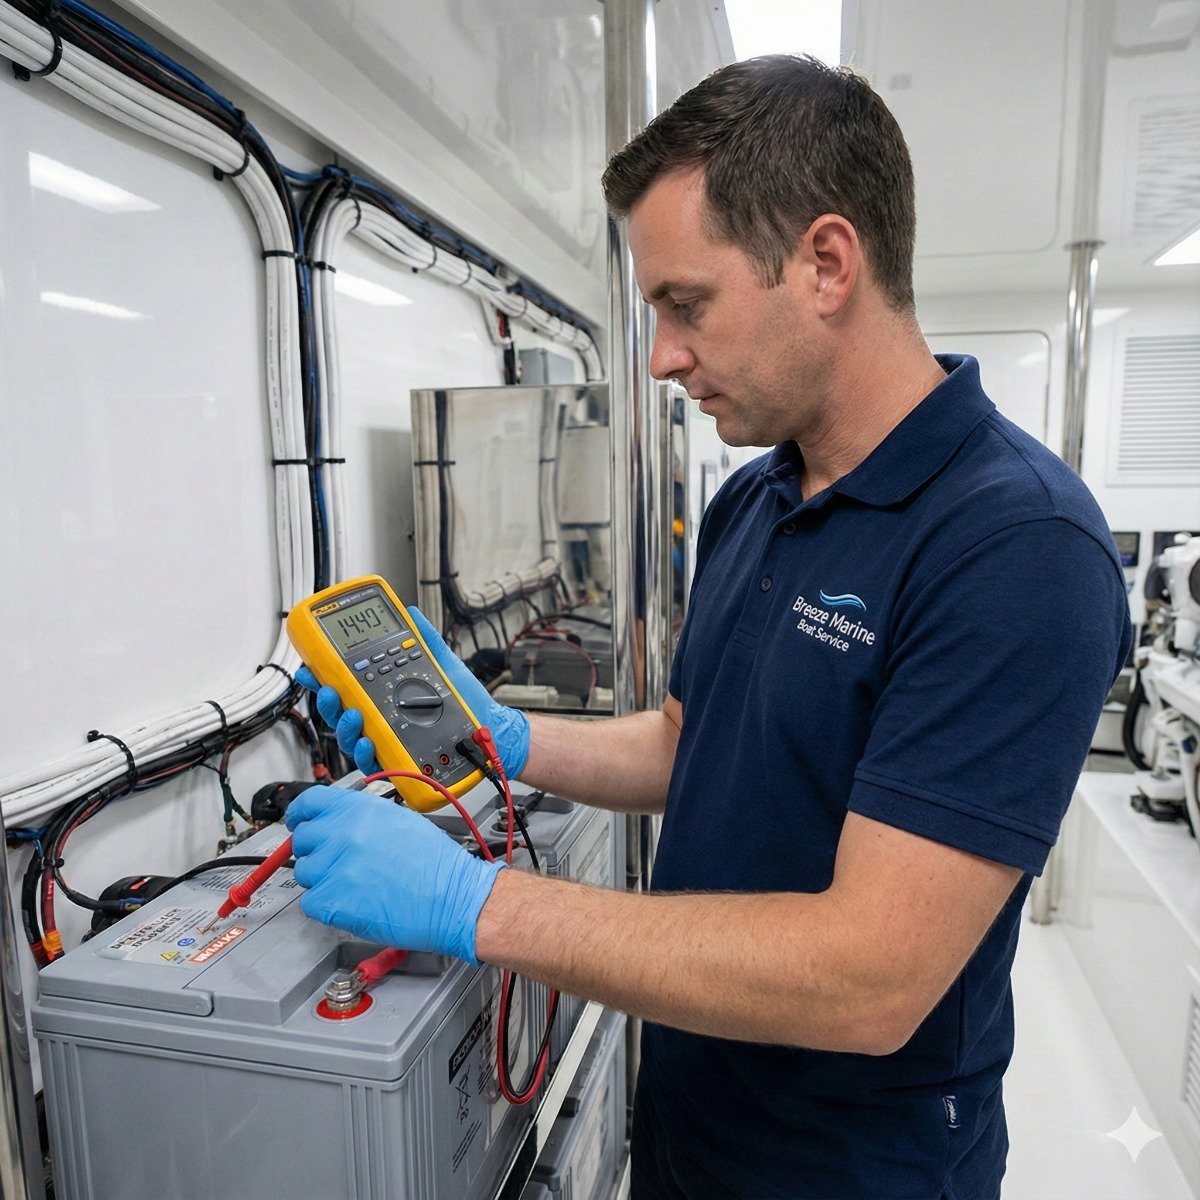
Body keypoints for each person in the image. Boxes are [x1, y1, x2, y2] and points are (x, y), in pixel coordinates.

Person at [286, 55, 1131, 1200]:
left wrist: (477, 904)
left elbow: (872, 978)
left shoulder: (1017, 545)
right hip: (691, 1123)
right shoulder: (757, 497)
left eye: (687, 304)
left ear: (826, 263)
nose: (662, 356)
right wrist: (505, 738)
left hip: (849, 1173)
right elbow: (692, 743)